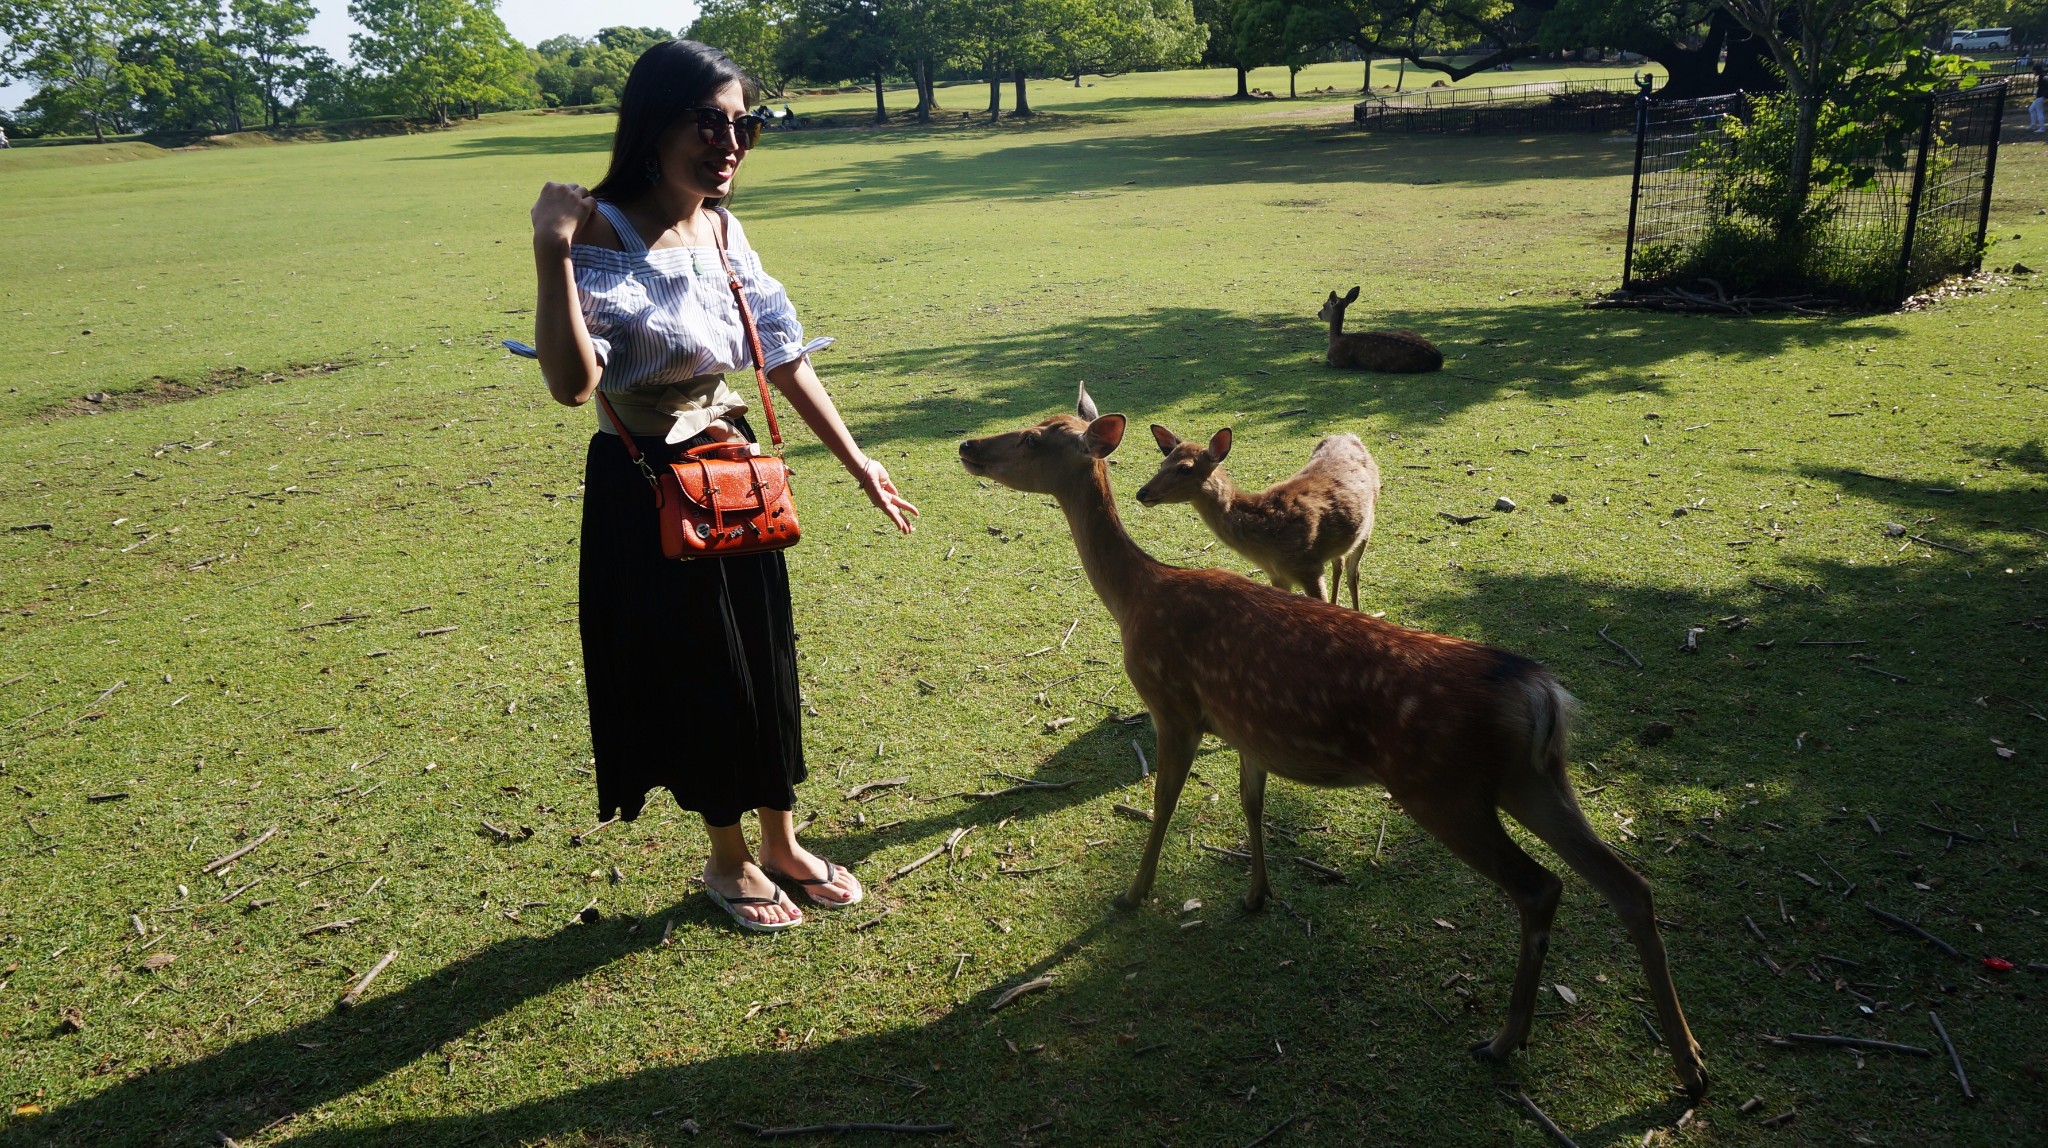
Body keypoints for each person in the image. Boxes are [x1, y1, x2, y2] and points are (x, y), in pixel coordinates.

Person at [529, 39, 919, 933]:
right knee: (708, 673)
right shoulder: (599, 229)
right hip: (649, 484)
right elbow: (570, 384)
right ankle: (728, 858)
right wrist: (550, 254)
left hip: (736, 474)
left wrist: (859, 460)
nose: (730, 142)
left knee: (767, 663)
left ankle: (783, 843)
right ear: (655, 126)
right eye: (710, 123)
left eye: (745, 124)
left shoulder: (722, 225)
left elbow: (780, 352)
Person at [2032, 61, 2046, 133]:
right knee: (2031, 109)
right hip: (2040, 96)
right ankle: (2033, 124)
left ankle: (2042, 128)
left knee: (2039, 112)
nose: (2033, 72)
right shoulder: (2042, 76)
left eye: (2034, 71)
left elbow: (2041, 88)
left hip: (2040, 97)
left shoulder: (2041, 77)